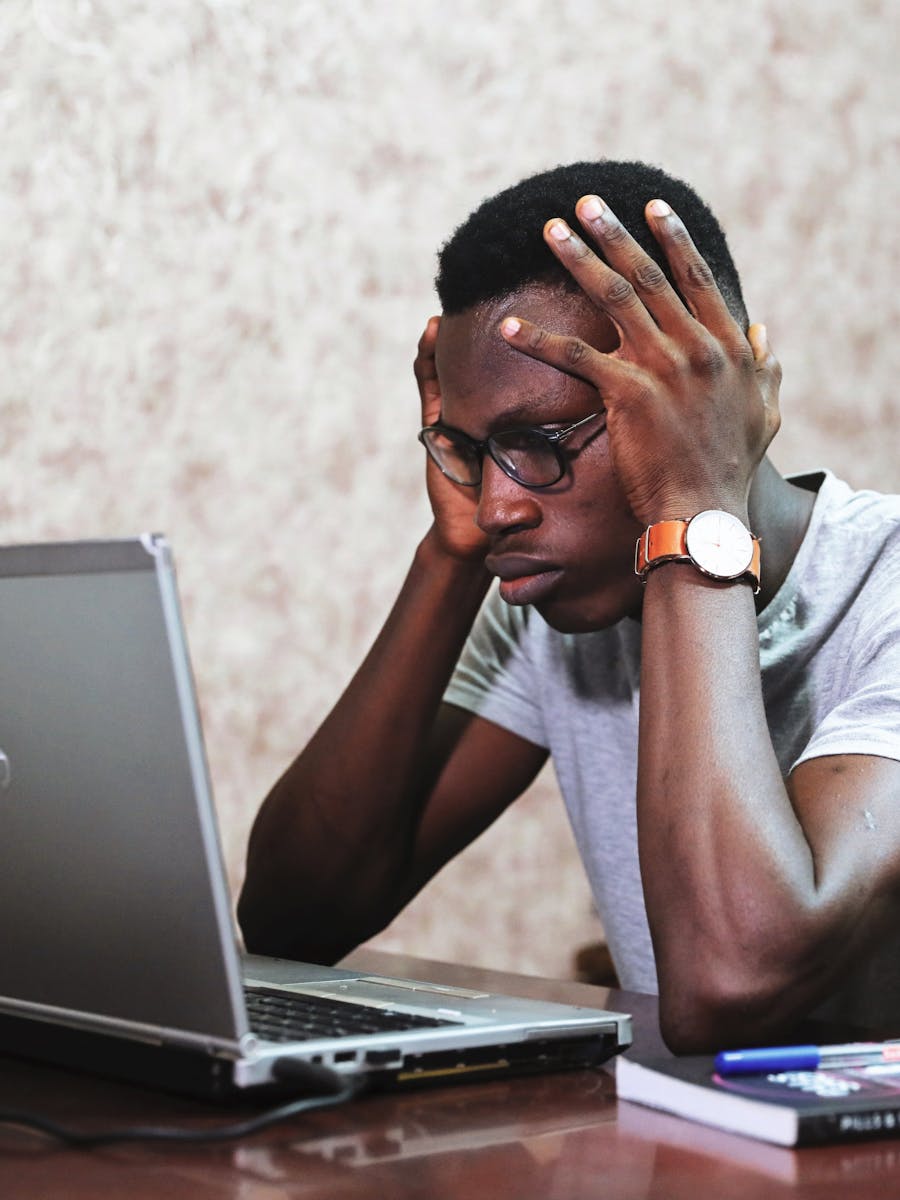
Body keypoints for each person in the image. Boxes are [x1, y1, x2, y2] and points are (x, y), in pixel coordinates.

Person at [238, 160, 900, 1053]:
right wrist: (450, 555)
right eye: (471, 451)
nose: (501, 503)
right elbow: (293, 922)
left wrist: (691, 510)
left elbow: (728, 984)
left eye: (539, 443)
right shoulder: (552, 600)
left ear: (706, 398)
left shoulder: (883, 587)